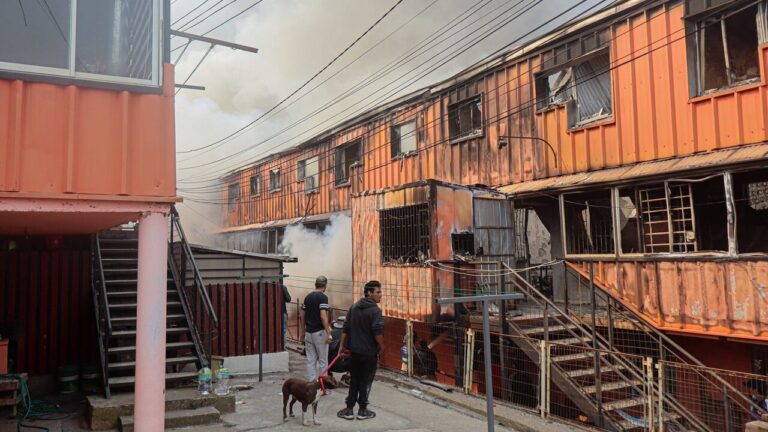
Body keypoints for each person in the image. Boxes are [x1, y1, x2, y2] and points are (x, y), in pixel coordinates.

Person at [337, 281, 384, 421]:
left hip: (354, 352)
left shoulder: (354, 307)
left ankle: (349, 409)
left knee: (355, 380)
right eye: (378, 292)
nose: (381, 295)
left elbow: (345, 329)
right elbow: (377, 332)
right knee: (365, 381)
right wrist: (382, 347)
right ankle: (362, 410)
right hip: (369, 353)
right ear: (369, 293)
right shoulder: (375, 310)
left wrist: (341, 347)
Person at [303, 276, 332, 381]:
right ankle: (323, 385)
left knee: (311, 360)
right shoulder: (323, 297)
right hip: (319, 332)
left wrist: (303, 331)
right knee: (323, 360)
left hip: (308, 332)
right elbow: (323, 316)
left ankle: (311, 383)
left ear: (315, 284)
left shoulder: (307, 297)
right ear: (325, 286)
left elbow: (303, 315)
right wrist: (328, 332)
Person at [281, 284, 291, 350]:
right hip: (282, 312)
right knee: (284, 331)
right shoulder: (283, 287)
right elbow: (288, 299)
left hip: (272, 313)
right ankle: (283, 348)